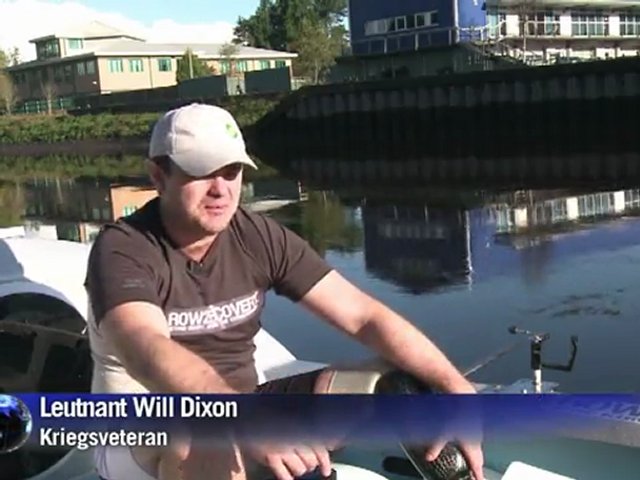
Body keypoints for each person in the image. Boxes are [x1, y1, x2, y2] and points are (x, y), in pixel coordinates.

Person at [84, 103, 484, 480]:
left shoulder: (255, 235)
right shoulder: (123, 248)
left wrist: (456, 388)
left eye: (232, 171)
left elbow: (363, 317)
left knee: (393, 383)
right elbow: (144, 346)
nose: (221, 189)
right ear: (158, 176)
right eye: (202, 172)